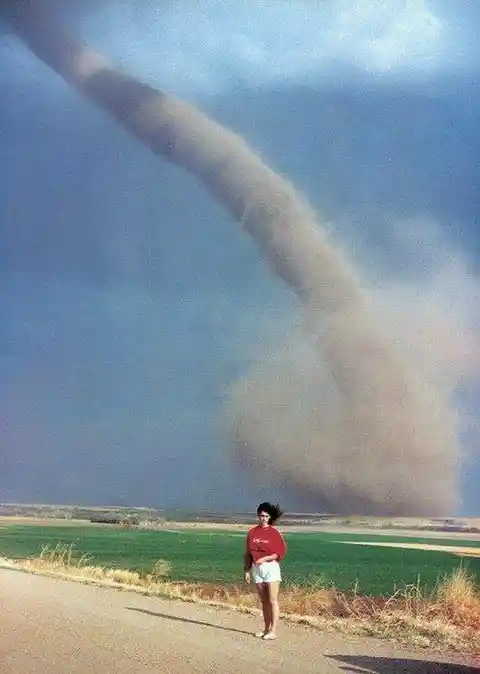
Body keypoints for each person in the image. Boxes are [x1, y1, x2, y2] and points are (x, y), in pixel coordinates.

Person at [244, 501, 287, 640]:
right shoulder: (252, 532)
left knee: (273, 600)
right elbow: (248, 553)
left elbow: (279, 552)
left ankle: (273, 630)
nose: (263, 518)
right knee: (264, 601)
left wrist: (264, 559)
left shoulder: (274, 532)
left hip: (270, 568)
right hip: (257, 569)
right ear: (258, 515)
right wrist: (246, 570)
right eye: (261, 515)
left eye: (266, 516)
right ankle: (266, 628)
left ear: (270, 517)